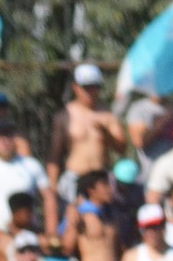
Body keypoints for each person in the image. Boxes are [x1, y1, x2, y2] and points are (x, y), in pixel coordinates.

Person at [48, 63, 126, 203]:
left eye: (94, 87)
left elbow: (122, 148)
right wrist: (53, 187)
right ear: (76, 87)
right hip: (76, 178)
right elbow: (55, 155)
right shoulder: (64, 116)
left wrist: (106, 133)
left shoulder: (107, 115)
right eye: (86, 88)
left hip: (101, 180)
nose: (90, 92)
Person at [63, 170, 123, 261]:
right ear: (91, 190)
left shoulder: (112, 217)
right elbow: (67, 248)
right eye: (105, 185)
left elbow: (119, 250)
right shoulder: (80, 216)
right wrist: (73, 225)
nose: (110, 189)